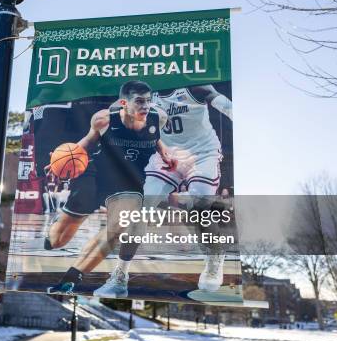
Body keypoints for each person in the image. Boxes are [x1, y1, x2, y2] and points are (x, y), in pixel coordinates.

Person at [94, 84, 233, 298]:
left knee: (198, 206)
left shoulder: (194, 86)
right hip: (167, 154)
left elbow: (219, 100)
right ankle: (120, 275)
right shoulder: (147, 92)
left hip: (202, 153)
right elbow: (120, 109)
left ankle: (215, 254)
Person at [45, 80, 174, 295]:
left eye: (148, 102)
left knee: (117, 228)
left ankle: (71, 278)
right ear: (124, 103)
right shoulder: (104, 120)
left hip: (127, 181)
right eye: (139, 102)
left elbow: (155, 138)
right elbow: (86, 142)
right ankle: (56, 225)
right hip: (96, 177)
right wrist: (60, 162)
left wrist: (164, 152)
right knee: (57, 240)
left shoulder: (158, 118)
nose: (145, 107)